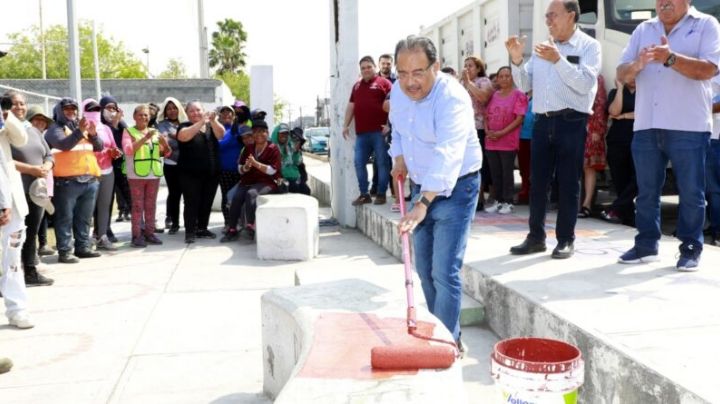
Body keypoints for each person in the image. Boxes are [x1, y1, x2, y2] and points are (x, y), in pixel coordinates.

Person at [390, 35, 482, 352]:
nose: (409, 82)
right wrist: (398, 157)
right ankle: (439, 330)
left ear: (436, 66)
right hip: (420, 185)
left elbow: (448, 154)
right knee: (424, 270)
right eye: (402, 73)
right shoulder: (398, 92)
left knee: (444, 271)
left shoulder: (452, 98)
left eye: (418, 72)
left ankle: (448, 342)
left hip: (457, 186)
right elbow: (398, 130)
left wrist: (423, 204)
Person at [616, 0, 720, 271]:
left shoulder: (706, 25)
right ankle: (646, 245)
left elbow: (709, 69)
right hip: (647, 124)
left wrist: (670, 58)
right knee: (647, 192)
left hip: (689, 125)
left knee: (691, 192)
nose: (664, 3)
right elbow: (620, 72)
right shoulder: (643, 29)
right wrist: (636, 65)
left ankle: (690, 248)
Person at [506, 0, 601, 259]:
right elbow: (525, 84)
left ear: (571, 16)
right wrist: (516, 60)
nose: (548, 20)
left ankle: (566, 239)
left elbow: (584, 85)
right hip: (542, 122)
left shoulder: (589, 46)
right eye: (546, 16)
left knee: (569, 183)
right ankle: (536, 237)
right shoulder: (542, 49)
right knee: (537, 183)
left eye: (552, 15)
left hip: (572, 121)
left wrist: (558, 60)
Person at [45, 98, 103, 263]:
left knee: (84, 218)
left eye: (74, 109)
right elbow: (64, 145)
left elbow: (99, 147)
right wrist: (80, 130)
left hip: (89, 180)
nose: (71, 112)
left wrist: (93, 134)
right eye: (67, 109)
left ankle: (83, 247)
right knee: (64, 218)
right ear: (59, 111)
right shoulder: (54, 128)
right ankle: (65, 251)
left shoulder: (82, 126)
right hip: (66, 182)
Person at [10, 105, 55, 286]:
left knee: (31, 233)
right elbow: (3, 160)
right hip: (14, 191)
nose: (19, 107)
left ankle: (30, 271)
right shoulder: (5, 132)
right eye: (14, 103)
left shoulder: (34, 131)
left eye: (22, 103)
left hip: (36, 191)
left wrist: (46, 166)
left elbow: (49, 155)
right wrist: (31, 169)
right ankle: (9, 275)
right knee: (13, 235)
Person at [0, 101, 34, 329]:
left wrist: (7, 116)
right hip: (4, 201)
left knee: (12, 257)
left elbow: (21, 138)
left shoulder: (4, 121)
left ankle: (16, 309)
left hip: (11, 202)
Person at [342, 55, 393, 206]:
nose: (366, 70)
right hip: (362, 134)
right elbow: (351, 106)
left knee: (383, 163)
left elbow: (395, 104)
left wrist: (389, 124)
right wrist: (345, 125)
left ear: (375, 68)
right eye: (363, 68)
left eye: (369, 67)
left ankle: (381, 193)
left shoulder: (385, 83)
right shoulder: (356, 86)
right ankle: (364, 194)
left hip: (379, 133)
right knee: (358, 163)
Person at [221, 119, 281, 242]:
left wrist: (255, 163)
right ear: (252, 134)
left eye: (262, 131)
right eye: (255, 131)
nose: (259, 134)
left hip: (267, 182)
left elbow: (272, 171)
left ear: (267, 133)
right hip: (248, 181)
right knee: (236, 198)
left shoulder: (273, 148)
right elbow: (240, 169)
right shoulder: (248, 148)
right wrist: (246, 167)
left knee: (251, 194)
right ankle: (232, 229)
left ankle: (250, 227)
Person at [122, 105, 171, 247]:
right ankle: (136, 235)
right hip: (136, 174)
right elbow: (128, 150)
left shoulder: (154, 132)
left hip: (153, 174)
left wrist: (164, 144)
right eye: (141, 115)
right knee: (137, 206)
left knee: (151, 205)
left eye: (146, 115)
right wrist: (145, 138)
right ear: (134, 117)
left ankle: (150, 233)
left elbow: (166, 153)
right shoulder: (128, 131)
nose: (144, 117)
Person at [177, 101, 224, 244]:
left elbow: (221, 135)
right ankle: (190, 231)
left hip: (211, 172)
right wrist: (201, 122)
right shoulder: (184, 126)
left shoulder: (211, 125)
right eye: (191, 111)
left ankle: (202, 228)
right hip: (189, 174)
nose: (195, 113)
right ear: (187, 113)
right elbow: (183, 137)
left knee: (206, 202)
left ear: (203, 110)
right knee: (191, 202)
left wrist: (213, 120)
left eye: (198, 110)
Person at [483, 66, 528, 215]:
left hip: (507, 142)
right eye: (500, 76)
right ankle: (497, 200)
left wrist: (502, 132)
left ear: (513, 78)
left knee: (507, 172)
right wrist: (488, 130)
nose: (503, 79)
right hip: (491, 141)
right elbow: (486, 115)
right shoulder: (493, 95)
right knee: (495, 173)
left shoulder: (519, 95)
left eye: (507, 76)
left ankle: (508, 201)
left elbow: (519, 118)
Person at [82, 99, 121, 251]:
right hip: (89, 172)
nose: (95, 111)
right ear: (84, 109)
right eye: (90, 108)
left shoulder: (106, 128)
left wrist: (115, 152)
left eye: (97, 109)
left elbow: (113, 146)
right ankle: (85, 239)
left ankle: (102, 236)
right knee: (88, 207)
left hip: (107, 171)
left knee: (104, 206)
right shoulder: (80, 128)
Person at [460, 56, 494, 211]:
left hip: (478, 128)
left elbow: (484, 98)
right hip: (461, 129)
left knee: (477, 165)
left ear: (479, 68)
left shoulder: (483, 82)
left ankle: (479, 198)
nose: (467, 68)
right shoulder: (460, 84)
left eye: (471, 66)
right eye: (465, 65)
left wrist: (468, 83)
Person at [602, 78, 637, 225]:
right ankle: (628, 218)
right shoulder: (615, 92)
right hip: (617, 140)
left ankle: (616, 208)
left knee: (638, 178)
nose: (633, 78)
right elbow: (613, 111)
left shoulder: (646, 92)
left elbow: (644, 113)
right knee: (620, 180)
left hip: (637, 139)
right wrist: (620, 89)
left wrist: (623, 116)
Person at [578, 74, 608, 218]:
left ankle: (587, 204)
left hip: (590, 125)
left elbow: (600, 104)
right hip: (570, 124)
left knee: (588, 166)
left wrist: (597, 128)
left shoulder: (596, 77)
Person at [156, 97, 187, 234]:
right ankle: (174, 223)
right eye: (169, 109)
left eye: (174, 108)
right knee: (174, 194)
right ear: (165, 111)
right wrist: (180, 137)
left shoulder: (187, 123)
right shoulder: (161, 124)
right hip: (171, 165)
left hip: (187, 164)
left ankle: (191, 222)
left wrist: (175, 136)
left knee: (189, 194)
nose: (172, 111)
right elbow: (164, 141)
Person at [100, 96, 131, 225]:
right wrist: (114, 124)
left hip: (120, 167)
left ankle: (140, 227)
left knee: (130, 198)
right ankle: (104, 231)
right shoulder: (99, 125)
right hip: (105, 168)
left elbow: (128, 141)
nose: (112, 110)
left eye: (114, 108)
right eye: (108, 108)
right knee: (107, 201)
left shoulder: (121, 124)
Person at [218, 108, 245, 232]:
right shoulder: (218, 129)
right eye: (223, 113)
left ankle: (239, 221)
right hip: (224, 171)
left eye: (229, 113)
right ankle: (228, 223)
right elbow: (219, 146)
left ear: (234, 116)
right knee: (226, 198)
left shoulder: (239, 129)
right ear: (220, 116)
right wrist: (232, 136)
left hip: (240, 170)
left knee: (239, 197)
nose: (226, 115)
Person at [271, 123, 310, 195]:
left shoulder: (290, 146)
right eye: (282, 133)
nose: (284, 136)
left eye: (286, 134)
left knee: (306, 190)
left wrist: (296, 152)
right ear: (276, 134)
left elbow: (297, 163)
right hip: (279, 177)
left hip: (293, 177)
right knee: (292, 188)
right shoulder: (272, 147)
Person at [516, 92, 534, 205]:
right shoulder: (522, 96)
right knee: (523, 167)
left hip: (534, 137)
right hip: (521, 136)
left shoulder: (540, 97)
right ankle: (525, 190)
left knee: (533, 167)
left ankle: (531, 192)